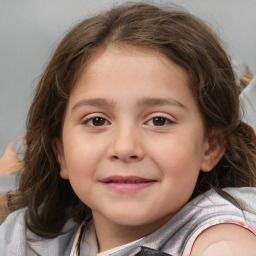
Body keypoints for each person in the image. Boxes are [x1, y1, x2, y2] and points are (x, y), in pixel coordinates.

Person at [0, 3, 256, 256]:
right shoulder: (26, 238)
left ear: (209, 147)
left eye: (159, 120)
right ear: (61, 153)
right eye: (97, 121)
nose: (124, 148)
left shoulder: (224, 240)